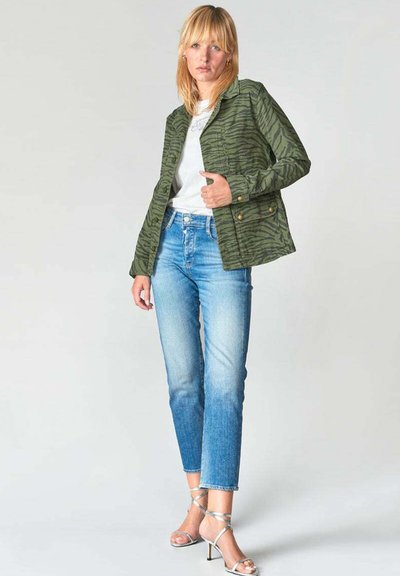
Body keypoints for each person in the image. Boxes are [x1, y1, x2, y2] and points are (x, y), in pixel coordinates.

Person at [129, 5, 311, 575]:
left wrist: (239, 189)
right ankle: (197, 503)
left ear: (229, 51)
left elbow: (296, 160)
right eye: (194, 46)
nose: (203, 56)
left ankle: (220, 521)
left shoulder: (250, 98)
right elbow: (163, 189)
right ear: (183, 53)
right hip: (170, 249)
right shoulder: (176, 119)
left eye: (214, 45)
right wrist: (141, 263)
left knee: (225, 383)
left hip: (221, 249)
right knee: (184, 383)